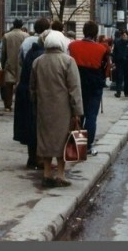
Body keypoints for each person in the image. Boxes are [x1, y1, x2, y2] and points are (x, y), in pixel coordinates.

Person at [30, 30, 84, 188]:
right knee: (63, 141)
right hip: (63, 108)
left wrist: (35, 104)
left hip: (43, 107)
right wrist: (77, 111)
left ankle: (47, 173)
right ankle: (61, 174)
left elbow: (32, 88)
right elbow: (74, 89)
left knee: (45, 140)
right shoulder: (68, 61)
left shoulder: (38, 61)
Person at [68, 21, 110, 157]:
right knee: (91, 117)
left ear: (84, 31)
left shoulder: (73, 46)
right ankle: (87, 146)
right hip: (94, 85)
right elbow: (105, 69)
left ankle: (75, 145)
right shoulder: (102, 49)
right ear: (95, 33)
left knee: (78, 115)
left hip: (77, 84)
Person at [14, 17, 51, 169]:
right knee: (39, 124)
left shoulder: (27, 43)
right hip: (38, 89)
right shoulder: (45, 46)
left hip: (25, 85)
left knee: (29, 124)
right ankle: (40, 158)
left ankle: (31, 157)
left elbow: (21, 60)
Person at [0, 19, 29, 112]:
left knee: (8, 85)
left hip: (10, 62)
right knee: (21, 84)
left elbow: (3, 52)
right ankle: (20, 105)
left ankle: (7, 105)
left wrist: (3, 63)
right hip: (21, 63)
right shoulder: (26, 36)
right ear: (21, 25)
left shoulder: (6, 36)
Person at [112, 29, 128, 98]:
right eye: (122, 35)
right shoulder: (118, 43)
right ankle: (118, 92)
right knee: (119, 78)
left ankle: (126, 93)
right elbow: (114, 53)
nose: (123, 36)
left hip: (127, 63)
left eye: (125, 35)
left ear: (127, 35)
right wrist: (114, 62)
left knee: (127, 78)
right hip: (119, 62)